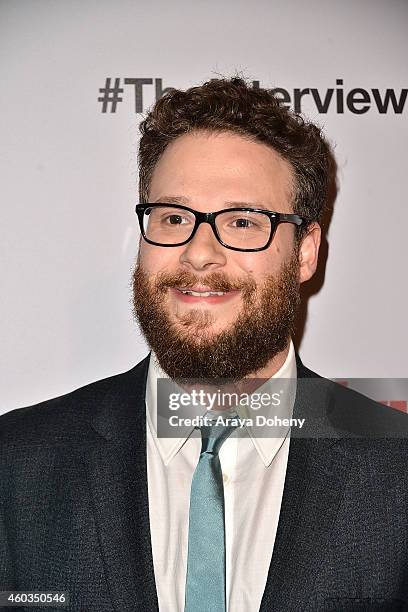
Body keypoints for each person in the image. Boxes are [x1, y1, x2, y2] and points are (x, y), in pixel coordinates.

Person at [1, 77, 408, 612]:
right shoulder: (17, 465)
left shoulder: (397, 466)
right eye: (173, 217)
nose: (198, 254)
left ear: (305, 253)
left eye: (242, 221)